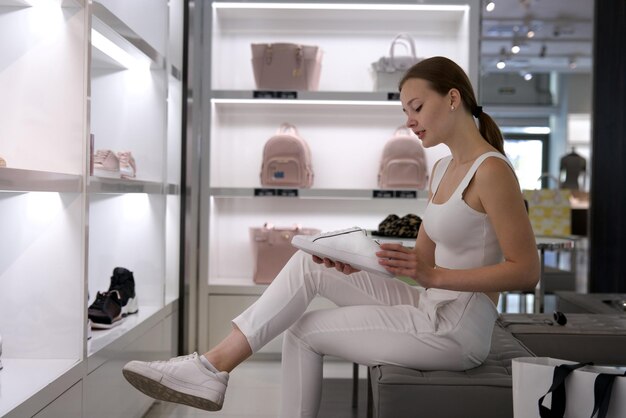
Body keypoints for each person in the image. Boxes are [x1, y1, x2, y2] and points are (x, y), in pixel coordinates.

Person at [121, 56, 540, 417]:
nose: (409, 121)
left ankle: (210, 370)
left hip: (456, 332)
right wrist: (359, 262)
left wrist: (435, 277)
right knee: (311, 263)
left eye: (416, 107)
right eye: (406, 111)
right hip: (427, 303)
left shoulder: (492, 171)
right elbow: (422, 263)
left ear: (452, 98)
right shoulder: (442, 169)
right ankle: (212, 367)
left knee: (302, 330)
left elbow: (525, 272)